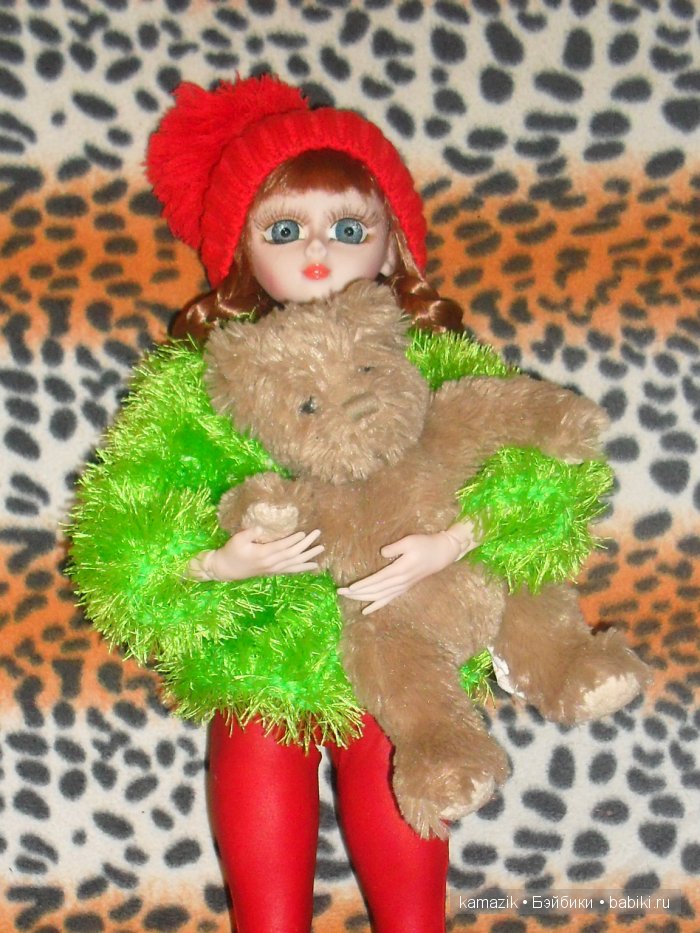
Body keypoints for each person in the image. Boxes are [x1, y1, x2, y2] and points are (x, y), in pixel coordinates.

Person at [71, 74, 644, 933]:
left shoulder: (433, 362)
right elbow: (120, 537)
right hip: (263, 659)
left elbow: (546, 476)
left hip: (405, 650)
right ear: (242, 248)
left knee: (411, 865)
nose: (317, 251)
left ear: (392, 244)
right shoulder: (199, 387)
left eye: (348, 228)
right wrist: (218, 563)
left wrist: (458, 538)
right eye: (284, 229)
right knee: (265, 878)